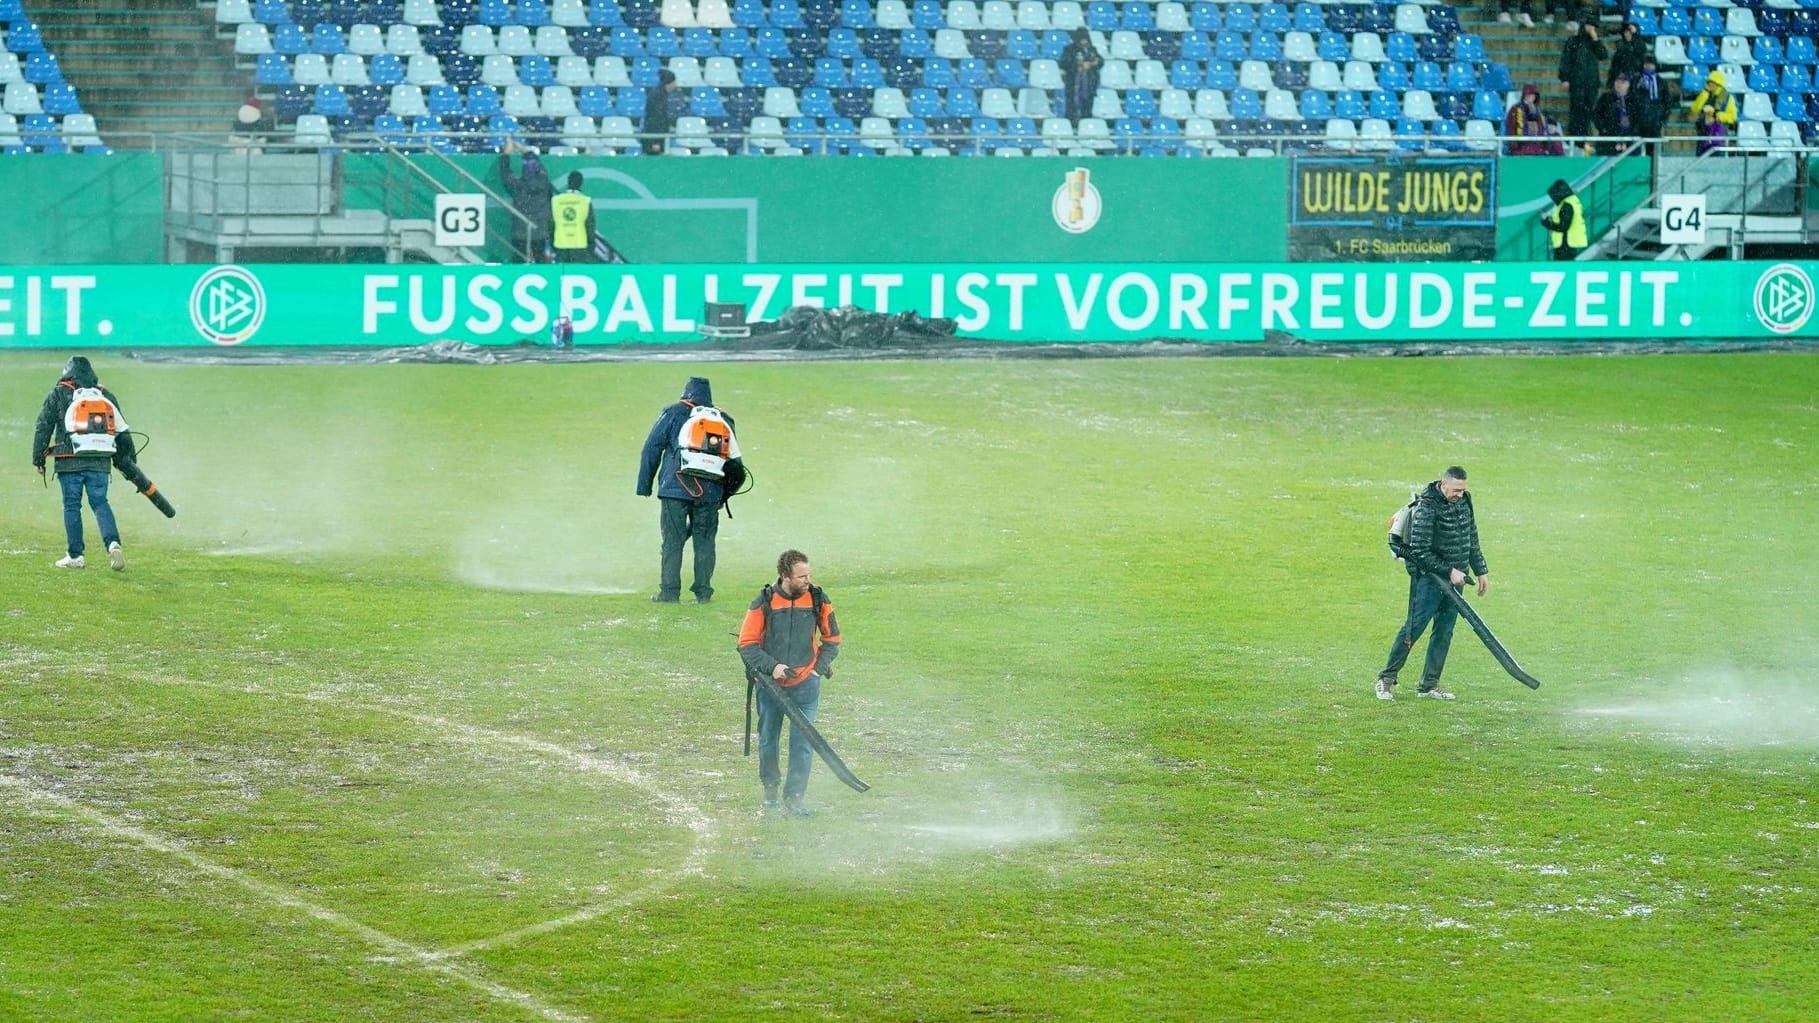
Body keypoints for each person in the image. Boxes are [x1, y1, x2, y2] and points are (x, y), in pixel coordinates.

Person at [737, 549, 841, 815]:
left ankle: (795, 799)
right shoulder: (764, 601)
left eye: (809, 575)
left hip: (807, 685)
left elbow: (832, 640)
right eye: (802, 576)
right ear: (785, 576)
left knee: (803, 744)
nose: (808, 580)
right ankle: (770, 791)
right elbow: (746, 645)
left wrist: (817, 669)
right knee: (768, 740)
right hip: (770, 687)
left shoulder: (818, 598)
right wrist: (774, 668)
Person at [1376, 467, 1488, 702]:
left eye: (1463, 489)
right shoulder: (1426, 507)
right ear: (1444, 485)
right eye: (1456, 489)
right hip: (1429, 579)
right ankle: (1386, 680)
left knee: (1444, 632)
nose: (1460, 493)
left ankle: (1429, 685)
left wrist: (1481, 571)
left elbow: (1471, 536)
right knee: (1413, 628)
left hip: (1456, 580)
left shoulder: (1465, 500)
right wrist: (1449, 570)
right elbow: (1419, 551)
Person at [636, 376, 745, 604]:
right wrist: (722, 496)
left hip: (674, 490)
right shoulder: (723, 419)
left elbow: (651, 449)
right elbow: (735, 465)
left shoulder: (673, 412)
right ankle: (703, 593)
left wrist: (644, 486)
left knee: (672, 541)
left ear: (686, 395)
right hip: (710, 494)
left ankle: (669, 592)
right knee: (705, 542)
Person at [31, 356, 133, 571]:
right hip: (100, 459)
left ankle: (75, 556)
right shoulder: (104, 394)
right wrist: (128, 460)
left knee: (71, 505)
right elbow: (122, 429)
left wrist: (38, 458)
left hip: (69, 460)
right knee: (100, 502)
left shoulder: (59, 393)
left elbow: (43, 426)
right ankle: (112, 542)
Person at [498, 140, 555, 262]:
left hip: (520, 232)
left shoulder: (517, 184)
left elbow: (504, 171)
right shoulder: (544, 182)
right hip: (539, 231)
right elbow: (536, 162)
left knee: (518, 264)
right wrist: (523, 149)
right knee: (541, 263)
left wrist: (506, 153)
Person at [1557, 20, 1607, 143]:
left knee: (1588, 112)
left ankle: (1583, 139)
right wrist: (1565, 78)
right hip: (1577, 83)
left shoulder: (1595, 43)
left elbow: (1603, 55)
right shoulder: (1573, 41)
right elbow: (1566, 60)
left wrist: (1595, 38)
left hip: (1591, 83)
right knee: (1576, 112)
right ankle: (1575, 140)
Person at [549, 170, 596, 263]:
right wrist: (591, 244)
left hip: (560, 245)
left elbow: (550, 224)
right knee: (577, 275)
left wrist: (552, 242)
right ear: (581, 183)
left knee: (562, 276)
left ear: (568, 182)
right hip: (579, 246)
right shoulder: (585, 201)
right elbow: (590, 226)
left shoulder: (556, 200)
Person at [1502, 84, 1562, 156]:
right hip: (1521, 148)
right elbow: (1511, 128)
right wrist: (1514, 146)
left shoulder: (1538, 111)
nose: (1531, 97)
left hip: (1539, 148)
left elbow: (1542, 128)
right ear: (1524, 95)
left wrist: (1546, 146)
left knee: (1555, 139)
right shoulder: (1515, 109)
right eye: (1529, 94)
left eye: (1533, 95)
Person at [1688, 70, 1738, 156]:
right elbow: (1695, 109)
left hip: (1717, 135)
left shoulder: (1728, 98)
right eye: (1708, 82)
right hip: (1703, 134)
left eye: (1710, 82)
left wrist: (1715, 115)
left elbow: (1732, 117)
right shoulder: (1706, 94)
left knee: (1716, 162)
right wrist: (1704, 94)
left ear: (1717, 83)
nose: (1708, 84)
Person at [1058, 28, 1102, 124]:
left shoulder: (1092, 49)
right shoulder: (1069, 49)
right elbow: (1063, 63)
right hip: (1074, 86)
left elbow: (1101, 61)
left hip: (1089, 85)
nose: (1084, 40)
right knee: (1071, 111)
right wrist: (1079, 65)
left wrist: (1094, 63)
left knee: (1087, 111)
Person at [1539, 177, 1587, 260]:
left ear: (1559, 193)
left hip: (1566, 245)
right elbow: (1563, 220)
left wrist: (1547, 223)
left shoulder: (1567, 205)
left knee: (1563, 268)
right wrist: (1549, 219)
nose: (1554, 199)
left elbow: (1563, 226)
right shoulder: (1572, 201)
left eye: (1554, 196)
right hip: (1570, 244)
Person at [1592, 74, 1641, 155]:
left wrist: (1635, 131)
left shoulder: (1634, 99)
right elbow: (1596, 115)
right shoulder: (1606, 98)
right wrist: (1603, 128)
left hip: (1630, 137)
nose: (1619, 84)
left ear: (1628, 84)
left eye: (1622, 82)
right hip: (1609, 137)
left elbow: (1639, 117)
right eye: (1617, 81)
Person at [1632, 55, 1672, 143]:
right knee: (1638, 149)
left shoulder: (1661, 82)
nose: (1648, 66)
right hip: (1639, 121)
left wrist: (1663, 118)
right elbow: (1631, 98)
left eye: (1651, 64)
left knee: (1654, 149)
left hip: (1655, 121)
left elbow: (1667, 101)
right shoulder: (1636, 80)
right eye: (1646, 64)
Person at [641, 69, 680, 155]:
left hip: (658, 136)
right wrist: (654, 141)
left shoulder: (660, 94)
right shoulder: (657, 96)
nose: (675, 85)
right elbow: (654, 120)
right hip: (655, 138)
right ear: (669, 83)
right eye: (674, 82)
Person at [1606, 21, 1649, 86]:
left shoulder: (1640, 45)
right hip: (1622, 79)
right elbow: (1615, 66)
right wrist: (1611, 81)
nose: (1627, 35)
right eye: (1626, 32)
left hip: (1635, 79)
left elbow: (1641, 55)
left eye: (1630, 33)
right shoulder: (1621, 49)